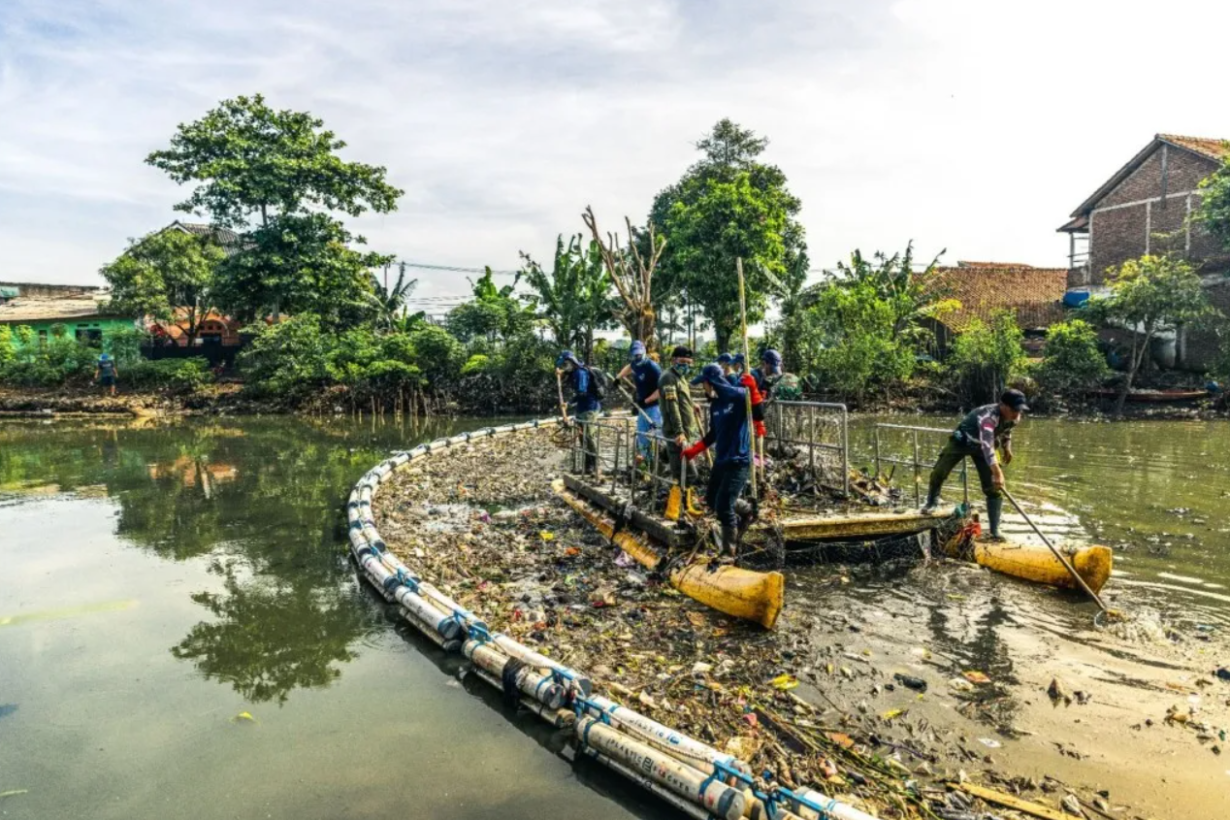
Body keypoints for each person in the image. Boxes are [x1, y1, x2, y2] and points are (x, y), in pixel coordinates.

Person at [921, 389, 1029, 541]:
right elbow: (987, 448)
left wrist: (1007, 447)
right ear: (1003, 406)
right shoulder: (988, 418)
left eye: (1020, 410)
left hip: (986, 445)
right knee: (939, 472)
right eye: (1014, 410)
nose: (1017, 414)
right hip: (964, 441)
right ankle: (931, 502)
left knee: (994, 488)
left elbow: (1007, 430)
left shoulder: (1014, 417)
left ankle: (994, 530)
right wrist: (998, 473)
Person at [682, 363, 754, 554]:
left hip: (738, 459)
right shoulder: (715, 405)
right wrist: (694, 449)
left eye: (703, 384)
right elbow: (713, 433)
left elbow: (757, 408)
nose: (702, 388)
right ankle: (747, 509)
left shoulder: (739, 397)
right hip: (722, 458)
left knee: (723, 507)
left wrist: (752, 389)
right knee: (712, 500)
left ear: (711, 382)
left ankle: (728, 551)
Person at [556, 350, 602, 475]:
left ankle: (595, 466)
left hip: (590, 408)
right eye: (563, 366)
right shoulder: (573, 371)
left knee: (588, 436)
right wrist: (561, 372)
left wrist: (569, 403)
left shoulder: (581, 373)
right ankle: (588, 466)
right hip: (581, 408)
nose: (565, 368)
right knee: (582, 437)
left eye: (565, 365)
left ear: (571, 362)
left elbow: (582, 393)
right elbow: (568, 372)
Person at [658, 345, 699, 484]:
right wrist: (679, 431)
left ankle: (686, 500)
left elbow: (681, 398)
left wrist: (692, 405)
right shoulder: (668, 377)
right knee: (683, 473)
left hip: (687, 432)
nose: (686, 365)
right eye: (682, 362)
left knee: (686, 471)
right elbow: (672, 406)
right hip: (677, 434)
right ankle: (678, 503)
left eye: (689, 363)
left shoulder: (680, 377)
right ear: (673, 360)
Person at [617, 340, 662, 460]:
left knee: (656, 435)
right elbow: (629, 367)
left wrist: (646, 400)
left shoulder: (653, 367)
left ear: (644, 352)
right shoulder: (635, 364)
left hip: (655, 407)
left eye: (638, 355)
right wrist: (618, 378)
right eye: (634, 355)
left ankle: (660, 464)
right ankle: (646, 462)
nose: (637, 357)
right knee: (641, 435)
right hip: (643, 407)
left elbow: (662, 389)